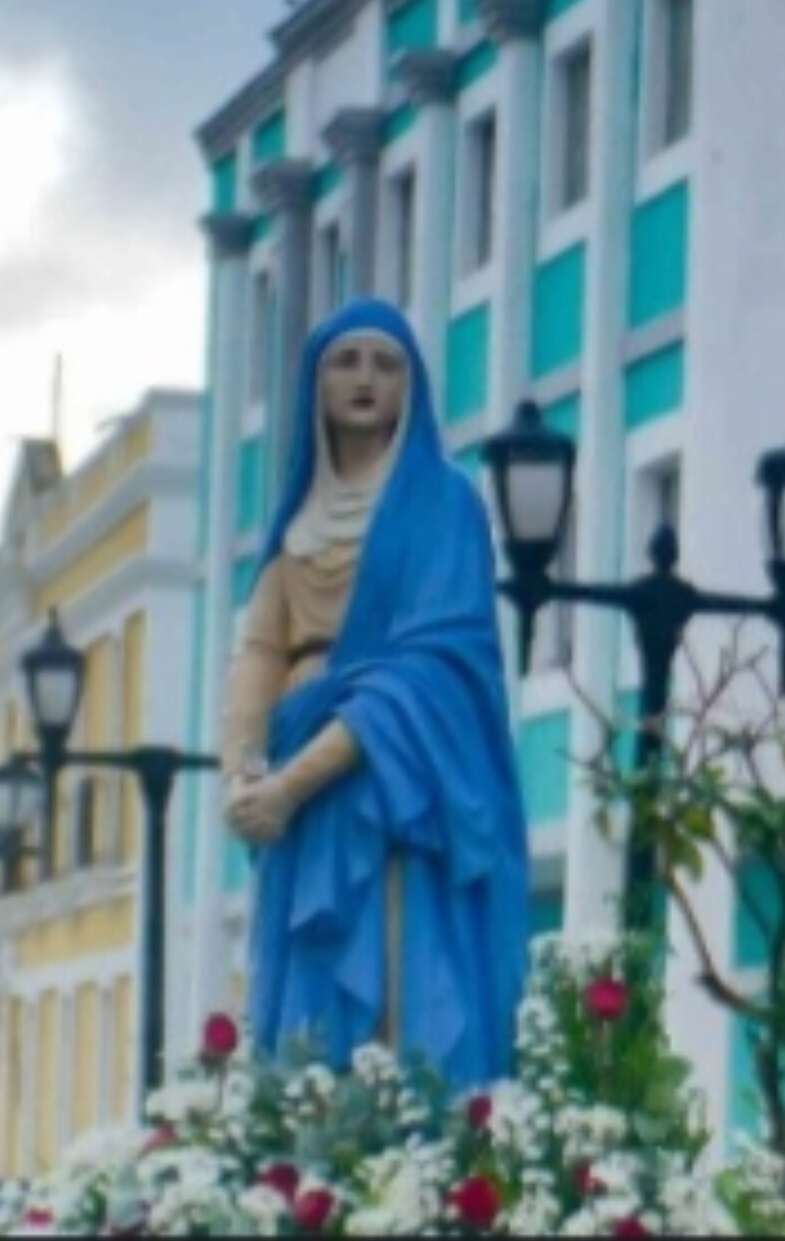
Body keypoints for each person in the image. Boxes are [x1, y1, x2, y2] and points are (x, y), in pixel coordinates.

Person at [221, 299, 532, 1092]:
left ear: (412, 385)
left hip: (395, 783)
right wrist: (242, 772)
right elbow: (260, 645)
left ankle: (406, 1161)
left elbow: (429, 666)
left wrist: (292, 784)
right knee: (306, 995)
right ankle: (310, 1160)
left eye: (386, 364)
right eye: (345, 362)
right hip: (300, 781)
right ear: (315, 382)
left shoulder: (443, 501)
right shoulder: (296, 513)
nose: (365, 379)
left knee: (395, 968)